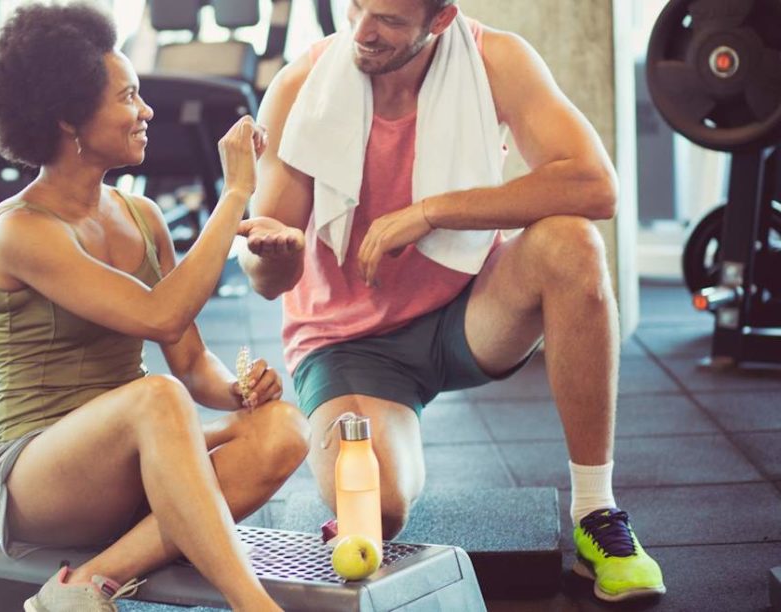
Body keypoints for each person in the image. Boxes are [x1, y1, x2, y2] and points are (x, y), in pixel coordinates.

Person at [239, 0, 665, 603]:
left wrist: (430, 212)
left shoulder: (497, 60)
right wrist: (274, 256)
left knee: (573, 243)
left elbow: (595, 184)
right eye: (355, 4)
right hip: (349, 343)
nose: (361, 31)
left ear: (440, 21)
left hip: (468, 308)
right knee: (380, 510)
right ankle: (361, 495)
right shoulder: (300, 87)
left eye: (388, 19)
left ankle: (598, 513)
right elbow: (265, 277)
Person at [0, 4, 308, 611]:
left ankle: (86, 585)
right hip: (39, 478)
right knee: (155, 398)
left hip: (139, 458)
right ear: (69, 121)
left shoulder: (141, 215)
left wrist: (241, 391)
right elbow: (159, 316)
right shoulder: (22, 232)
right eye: (129, 96)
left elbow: (188, 358)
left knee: (284, 428)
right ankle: (256, 607)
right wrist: (235, 192)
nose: (147, 111)